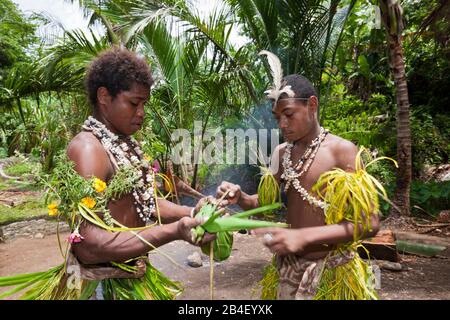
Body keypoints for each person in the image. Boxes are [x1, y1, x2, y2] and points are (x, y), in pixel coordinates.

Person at [217, 69, 380, 299]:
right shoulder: (281, 154)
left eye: (289, 114)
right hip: (288, 272)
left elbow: (369, 223)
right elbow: (264, 203)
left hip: (331, 273)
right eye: (277, 118)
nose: (282, 124)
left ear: (312, 105)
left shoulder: (342, 152)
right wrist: (241, 197)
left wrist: (304, 236)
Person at [65, 47, 215, 297]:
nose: (142, 113)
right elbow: (87, 245)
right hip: (103, 286)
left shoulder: (122, 143)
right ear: (104, 96)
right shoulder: (89, 149)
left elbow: (143, 203)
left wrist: (192, 212)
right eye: (134, 103)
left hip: (134, 276)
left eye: (144, 104)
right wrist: (175, 231)